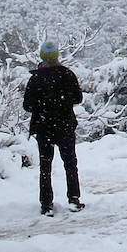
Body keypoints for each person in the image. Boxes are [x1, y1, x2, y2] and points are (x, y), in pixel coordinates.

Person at [22, 40, 84, 216]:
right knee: (70, 163)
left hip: (43, 128)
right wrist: (62, 102)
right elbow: (78, 98)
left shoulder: (35, 78)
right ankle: (73, 199)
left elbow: (27, 105)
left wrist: (42, 107)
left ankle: (46, 204)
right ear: (57, 55)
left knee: (45, 166)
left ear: (42, 56)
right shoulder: (67, 75)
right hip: (65, 126)